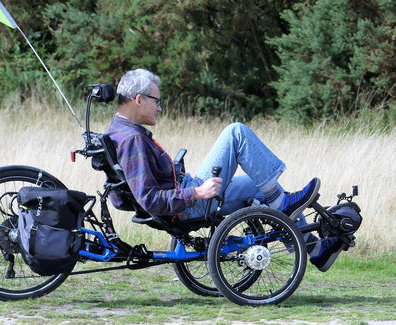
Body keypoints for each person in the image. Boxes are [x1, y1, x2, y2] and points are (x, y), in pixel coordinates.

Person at [105, 68, 344, 272]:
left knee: (258, 186)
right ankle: (282, 205)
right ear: (138, 99)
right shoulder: (132, 140)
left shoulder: (118, 131)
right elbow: (148, 199)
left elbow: (123, 199)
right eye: (156, 101)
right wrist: (197, 193)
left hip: (183, 196)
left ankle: (315, 249)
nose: (159, 108)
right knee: (236, 132)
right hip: (187, 206)